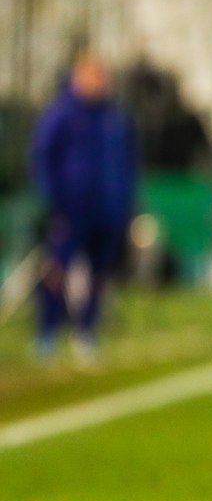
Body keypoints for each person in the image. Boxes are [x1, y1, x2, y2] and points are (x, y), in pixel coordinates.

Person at [30, 52, 138, 363]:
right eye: (92, 76)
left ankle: (87, 332)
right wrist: (52, 200)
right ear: (78, 77)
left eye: (102, 76)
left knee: (101, 273)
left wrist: (127, 202)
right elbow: (43, 158)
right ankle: (47, 333)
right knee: (57, 269)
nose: (98, 83)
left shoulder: (116, 117)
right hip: (71, 207)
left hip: (109, 208)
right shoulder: (61, 114)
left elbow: (129, 163)